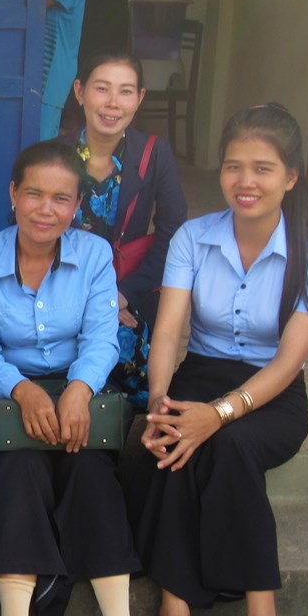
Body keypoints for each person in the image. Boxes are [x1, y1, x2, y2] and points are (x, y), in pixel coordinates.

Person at [134, 104, 308, 616]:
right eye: (233, 167)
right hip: (199, 374)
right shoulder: (194, 239)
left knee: (230, 447)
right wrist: (160, 399)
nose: (245, 182)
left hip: (272, 392)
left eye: (263, 168)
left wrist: (221, 415)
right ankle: (176, 612)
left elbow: (288, 362)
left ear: (290, 177)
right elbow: (168, 332)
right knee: (170, 440)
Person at [0, 141, 139, 616]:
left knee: (90, 469)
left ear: (77, 205)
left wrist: (79, 390)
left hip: (79, 388)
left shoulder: (94, 255)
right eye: (34, 194)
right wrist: (22, 390)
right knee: (16, 468)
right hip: (8, 394)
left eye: (61, 198)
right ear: (13, 194)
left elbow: (102, 337)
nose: (46, 209)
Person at [58, 49, 188, 406]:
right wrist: (90, 300)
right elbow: (30, 232)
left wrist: (122, 294)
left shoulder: (154, 153)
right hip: (63, 288)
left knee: (131, 356)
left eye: (126, 91)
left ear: (140, 98)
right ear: (80, 91)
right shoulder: (55, 153)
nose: (113, 103)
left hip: (127, 290)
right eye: (102, 89)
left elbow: (173, 233)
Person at [41, 0, 97, 142]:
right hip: (45, 64)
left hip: (56, 68)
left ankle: (46, 176)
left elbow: (38, 5)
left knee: (44, 131)